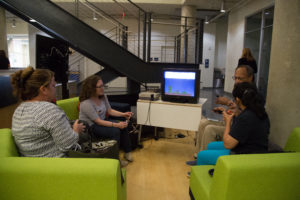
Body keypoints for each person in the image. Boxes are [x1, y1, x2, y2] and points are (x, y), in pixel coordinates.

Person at [11, 66, 85, 157]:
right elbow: (68, 145)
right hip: (56, 165)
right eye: (53, 85)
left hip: (32, 164)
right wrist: (76, 130)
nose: (55, 88)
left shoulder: (18, 110)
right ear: (44, 89)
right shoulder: (49, 110)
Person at [196, 82, 270, 165]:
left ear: (238, 99)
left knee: (201, 156)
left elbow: (228, 144)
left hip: (244, 156)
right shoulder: (259, 112)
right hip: (255, 150)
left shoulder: (245, 117)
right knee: (210, 146)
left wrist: (228, 122)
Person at [193, 65, 255, 159]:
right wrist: (227, 108)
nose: (237, 81)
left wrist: (230, 109)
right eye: (235, 78)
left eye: (240, 78)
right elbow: (239, 110)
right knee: (203, 122)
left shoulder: (252, 95)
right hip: (234, 122)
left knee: (210, 129)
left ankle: (205, 159)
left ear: (250, 78)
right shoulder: (240, 91)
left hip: (236, 127)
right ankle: (199, 156)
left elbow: (246, 117)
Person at [79, 75, 134, 162]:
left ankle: (127, 152)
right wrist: (116, 125)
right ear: (92, 89)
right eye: (99, 86)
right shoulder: (86, 103)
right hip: (91, 127)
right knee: (115, 130)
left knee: (123, 125)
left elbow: (110, 111)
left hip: (102, 122)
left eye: (103, 85)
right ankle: (115, 160)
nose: (102, 88)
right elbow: (98, 121)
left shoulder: (103, 96)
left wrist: (123, 114)